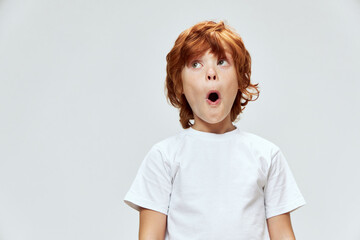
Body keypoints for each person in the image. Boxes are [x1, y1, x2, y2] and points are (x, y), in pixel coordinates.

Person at [123, 20, 306, 240]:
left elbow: (283, 235)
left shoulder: (267, 156)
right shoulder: (164, 156)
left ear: (240, 79)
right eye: (196, 64)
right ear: (179, 84)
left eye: (221, 62)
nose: (211, 73)